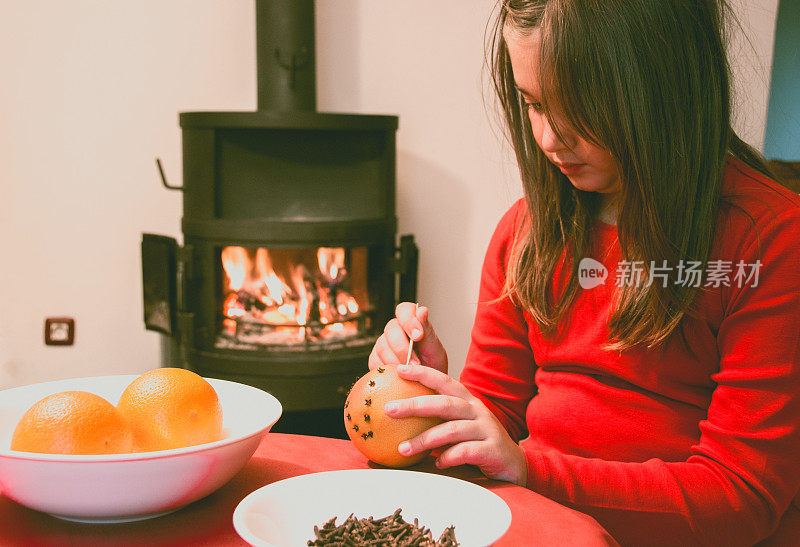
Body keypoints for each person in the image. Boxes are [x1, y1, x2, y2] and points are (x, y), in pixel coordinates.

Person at [368, 0, 800, 544]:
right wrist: (438, 403)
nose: (550, 139)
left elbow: (741, 497)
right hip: (543, 521)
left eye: (580, 109)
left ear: (666, 87)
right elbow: (497, 418)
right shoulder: (527, 231)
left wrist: (531, 471)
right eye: (534, 105)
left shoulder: (771, 240)